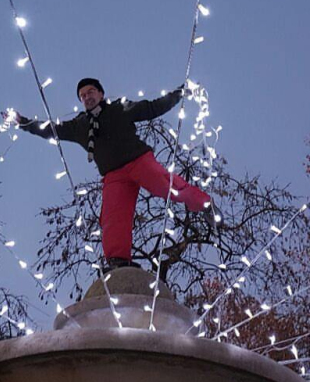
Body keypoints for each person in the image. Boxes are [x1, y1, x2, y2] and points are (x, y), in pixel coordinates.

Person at [12, 78, 220, 270]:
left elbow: (152, 108)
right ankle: (117, 260)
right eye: (82, 95)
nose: (87, 97)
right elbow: (50, 129)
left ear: (101, 94)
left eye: (91, 91)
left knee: (166, 186)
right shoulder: (79, 125)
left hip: (138, 161)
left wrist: (179, 93)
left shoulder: (120, 108)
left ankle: (205, 204)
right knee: (112, 217)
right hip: (113, 175)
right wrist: (23, 122)